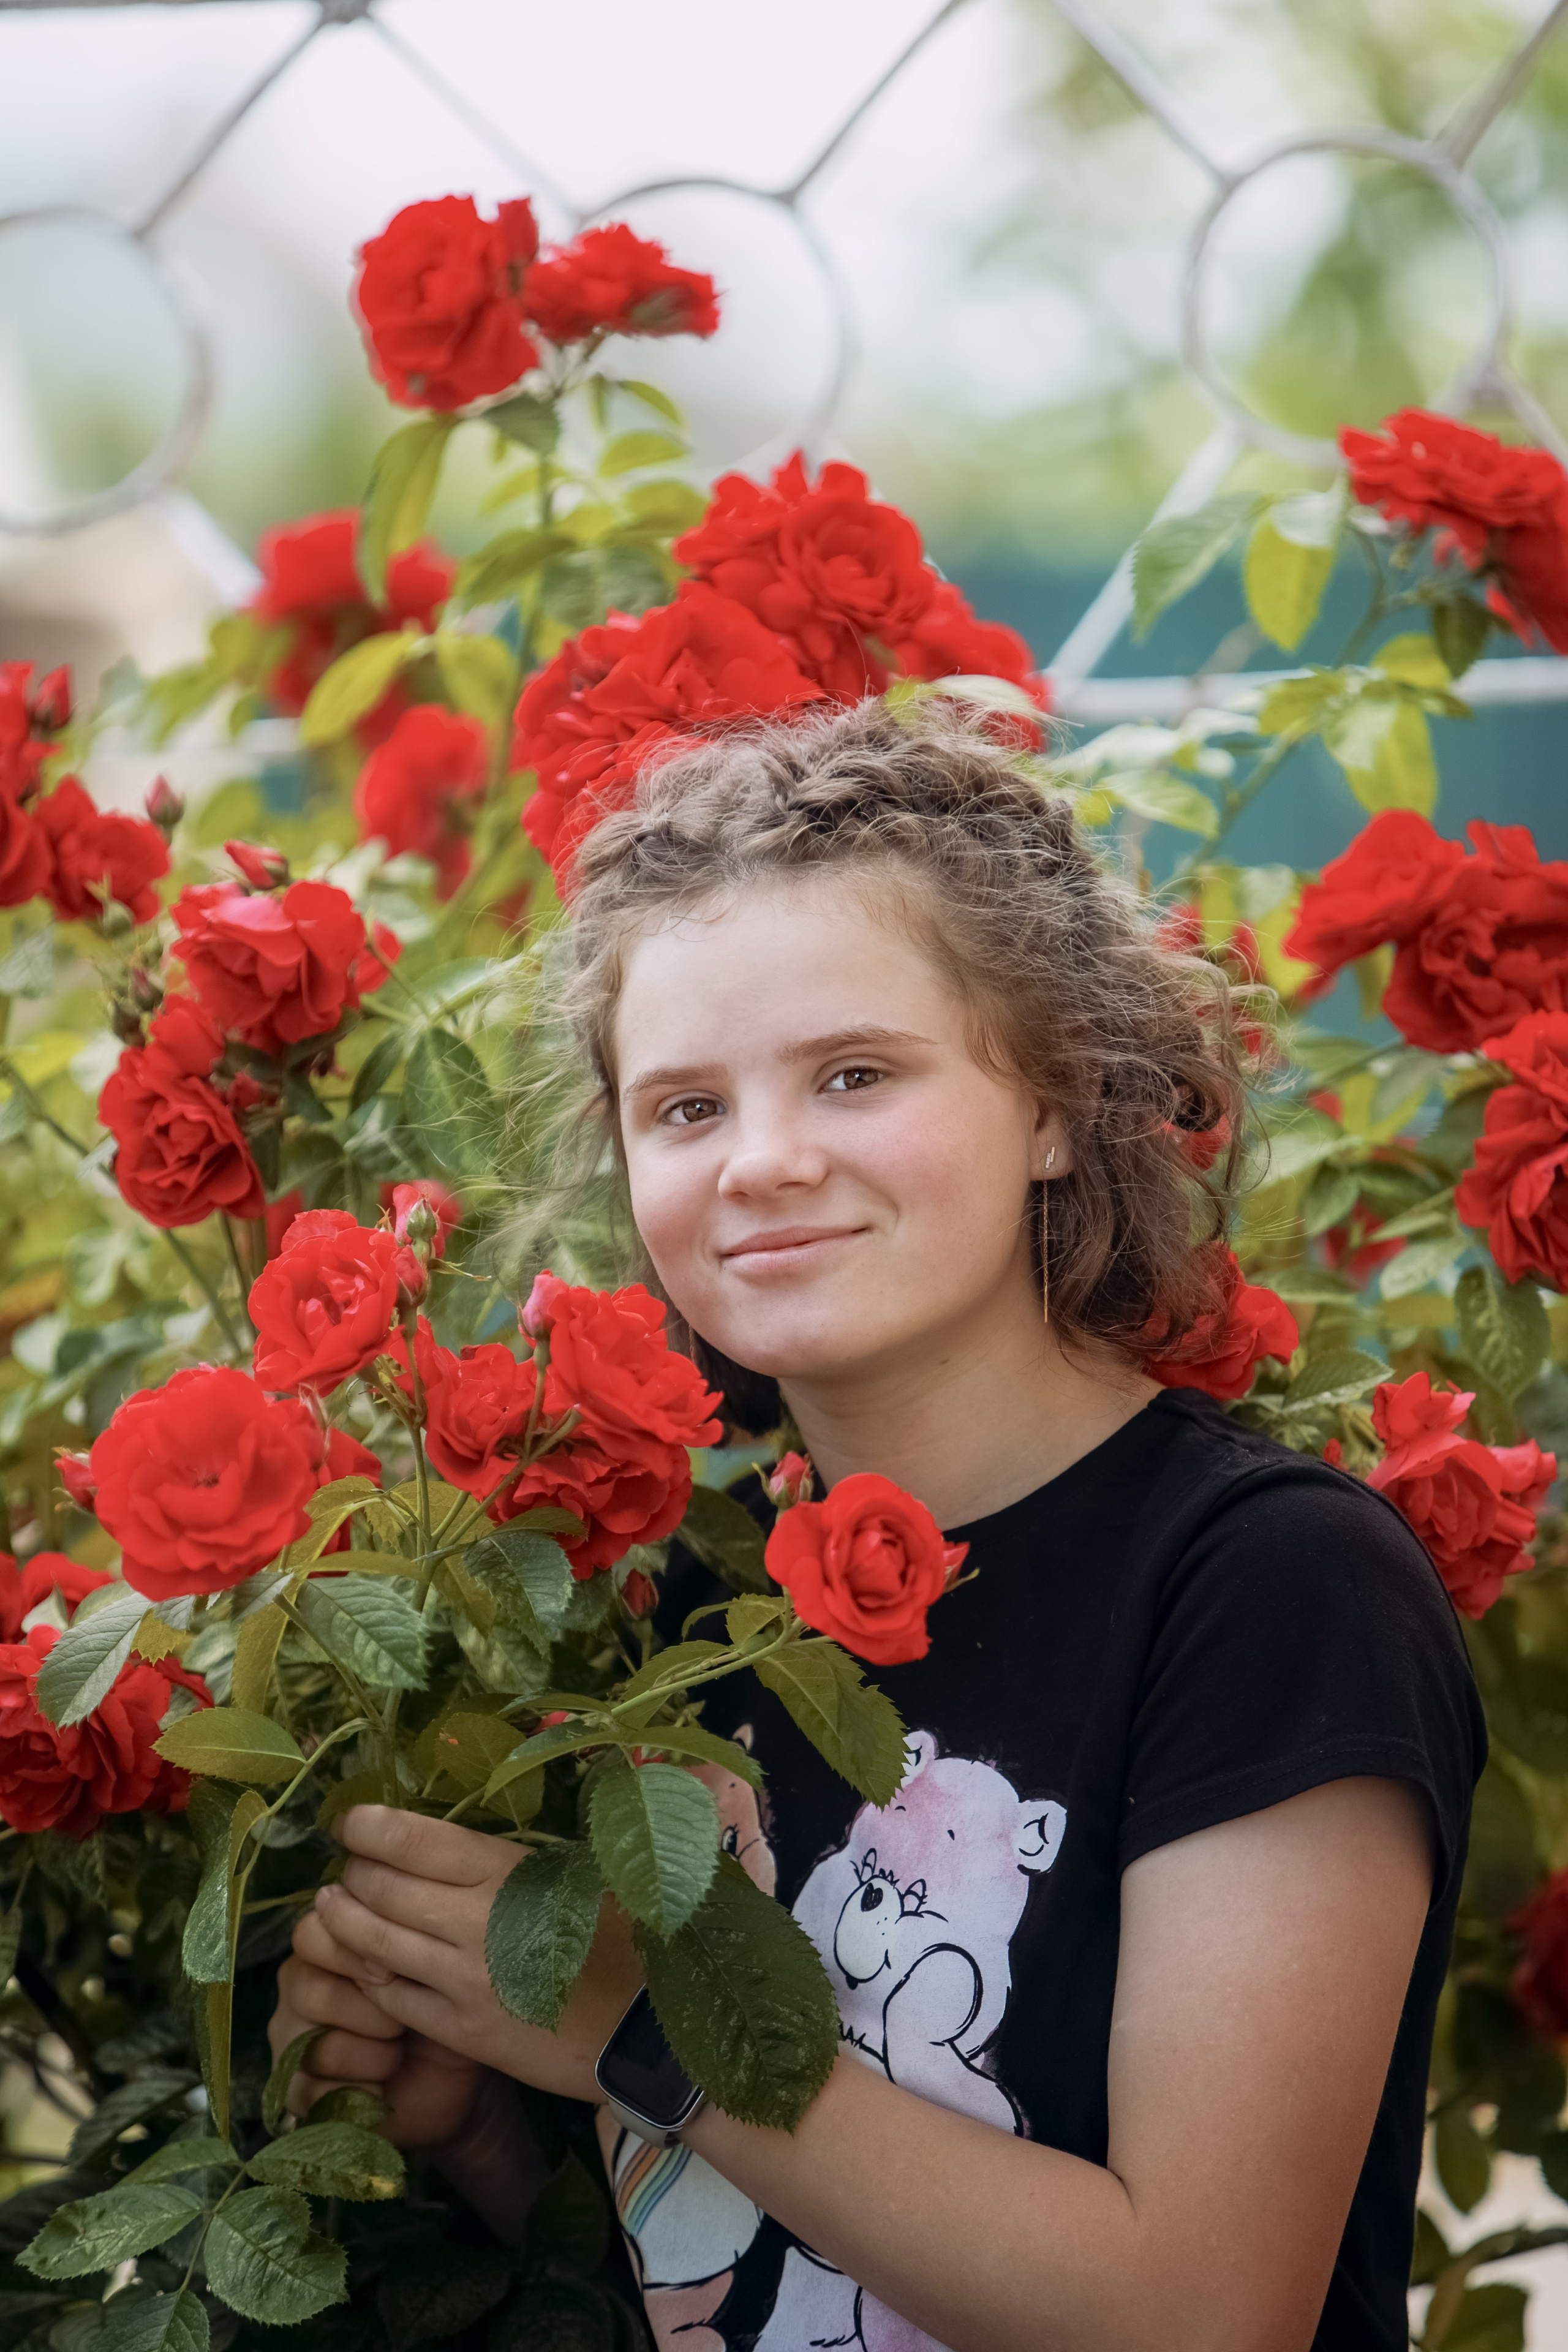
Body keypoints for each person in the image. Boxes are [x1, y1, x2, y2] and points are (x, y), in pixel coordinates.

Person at [270, 701, 1483, 2352]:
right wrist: (485, 2117)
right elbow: (737, 2291)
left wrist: (644, 2033)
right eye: (685, 1108)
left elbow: (1203, 2316)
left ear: (1059, 1105)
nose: (762, 1162)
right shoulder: (683, 1605)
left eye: (854, 1075)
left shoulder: (1270, 1589)